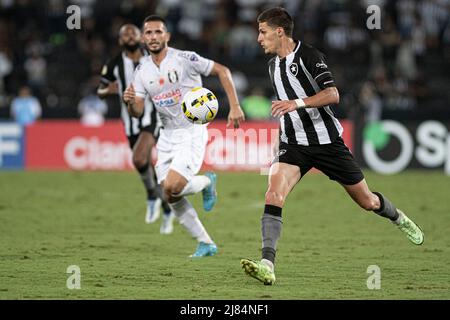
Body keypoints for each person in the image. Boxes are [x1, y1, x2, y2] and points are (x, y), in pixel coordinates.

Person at [240, 7, 424, 285]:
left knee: (368, 201)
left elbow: (333, 94)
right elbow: (287, 105)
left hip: (328, 144)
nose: (258, 38)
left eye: (263, 32)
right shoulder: (271, 66)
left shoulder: (309, 56)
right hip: (294, 145)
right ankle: (267, 264)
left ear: (279, 32)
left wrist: (297, 103)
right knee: (273, 195)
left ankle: (398, 217)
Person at [123, 15, 245, 257]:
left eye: (158, 32)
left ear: (167, 36)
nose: (153, 37)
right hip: (166, 135)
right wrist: (129, 102)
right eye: (148, 33)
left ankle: (208, 181)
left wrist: (234, 106)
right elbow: (137, 112)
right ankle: (205, 243)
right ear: (143, 39)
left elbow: (223, 70)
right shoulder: (141, 71)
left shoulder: (185, 58)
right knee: (169, 194)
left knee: (174, 185)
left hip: (192, 131)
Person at [97, 24, 174, 234]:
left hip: (153, 117)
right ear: (120, 40)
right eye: (125, 34)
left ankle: (151, 195)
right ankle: (166, 207)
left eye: (133, 33)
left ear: (140, 38)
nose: (130, 36)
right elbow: (100, 89)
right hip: (130, 122)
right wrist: (108, 90)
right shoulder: (113, 63)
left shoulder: (153, 59)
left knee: (139, 159)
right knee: (145, 164)